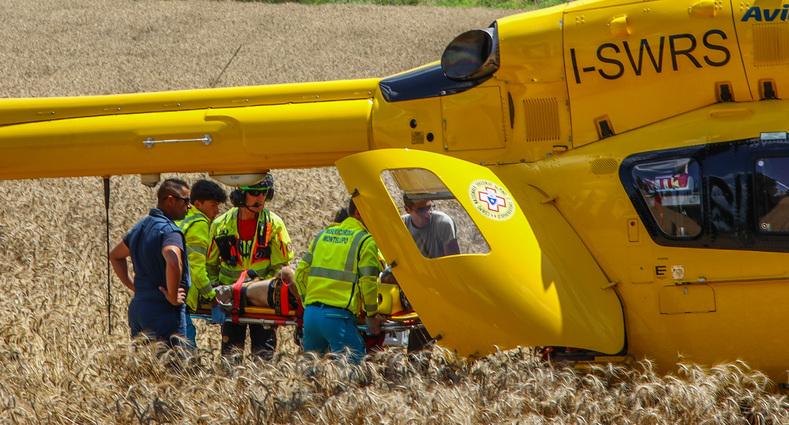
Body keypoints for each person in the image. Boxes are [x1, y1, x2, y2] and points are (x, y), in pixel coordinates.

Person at [206, 173, 293, 359]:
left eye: (264, 193)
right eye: (254, 192)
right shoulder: (220, 225)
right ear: (239, 195)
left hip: (261, 300)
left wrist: (268, 292)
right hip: (229, 300)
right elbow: (210, 265)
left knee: (264, 356)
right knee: (230, 356)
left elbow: (281, 267)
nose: (260, 198)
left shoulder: (275, 225)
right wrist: (215, 294)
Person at [295, 198, 384, 363]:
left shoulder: (322, 235)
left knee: (311, 375)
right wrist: (371, 315)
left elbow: (299, 274)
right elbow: (368, 283)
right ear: (358, 213)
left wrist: (308, 303)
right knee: (353, 374)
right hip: (338, 318)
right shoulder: (366, 241)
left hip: (311, 316)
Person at [109, 178, 191, 347]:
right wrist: (173, 296)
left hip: (139, 309)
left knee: (145, 370)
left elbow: (116, 256)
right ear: (170, 200)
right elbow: (173, 259)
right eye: (186, 201)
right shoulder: (170, 231)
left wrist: (134, 286)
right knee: (173, 370)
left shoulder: (141, 226)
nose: (189, 206)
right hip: (164, 312)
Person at [401, 194, 460, 351]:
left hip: (442, 288)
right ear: (408, 209)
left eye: (430, 207)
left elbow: (453, 264)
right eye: (421, 209)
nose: (428, 213)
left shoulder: (443, 223)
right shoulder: (402, 225)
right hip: (417, 288)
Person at [175, 179, 227, 349]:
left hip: (160, 291)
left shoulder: (181, 218)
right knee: (186, 352)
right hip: (181, 295)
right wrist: (212, 298)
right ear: (198, 203)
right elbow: (196, 270)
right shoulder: (200, 224)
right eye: (213, 205)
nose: (217, 211)